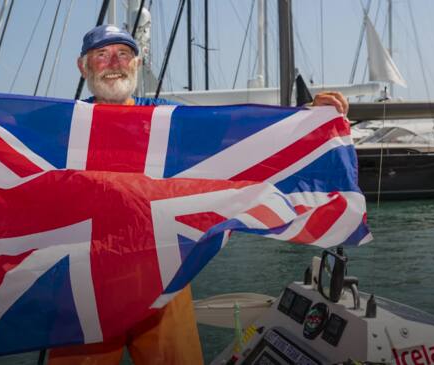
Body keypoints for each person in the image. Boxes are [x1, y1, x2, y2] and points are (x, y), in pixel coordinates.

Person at [47, 24, 349, 365]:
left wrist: (309, 118)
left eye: (123, 54)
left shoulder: (169, 119)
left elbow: (241, 135)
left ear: (136, 62)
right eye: (101, 55)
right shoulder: (65, 128)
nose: (113, 62)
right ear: (83, 67)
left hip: (160, 273)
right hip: (85, 280)